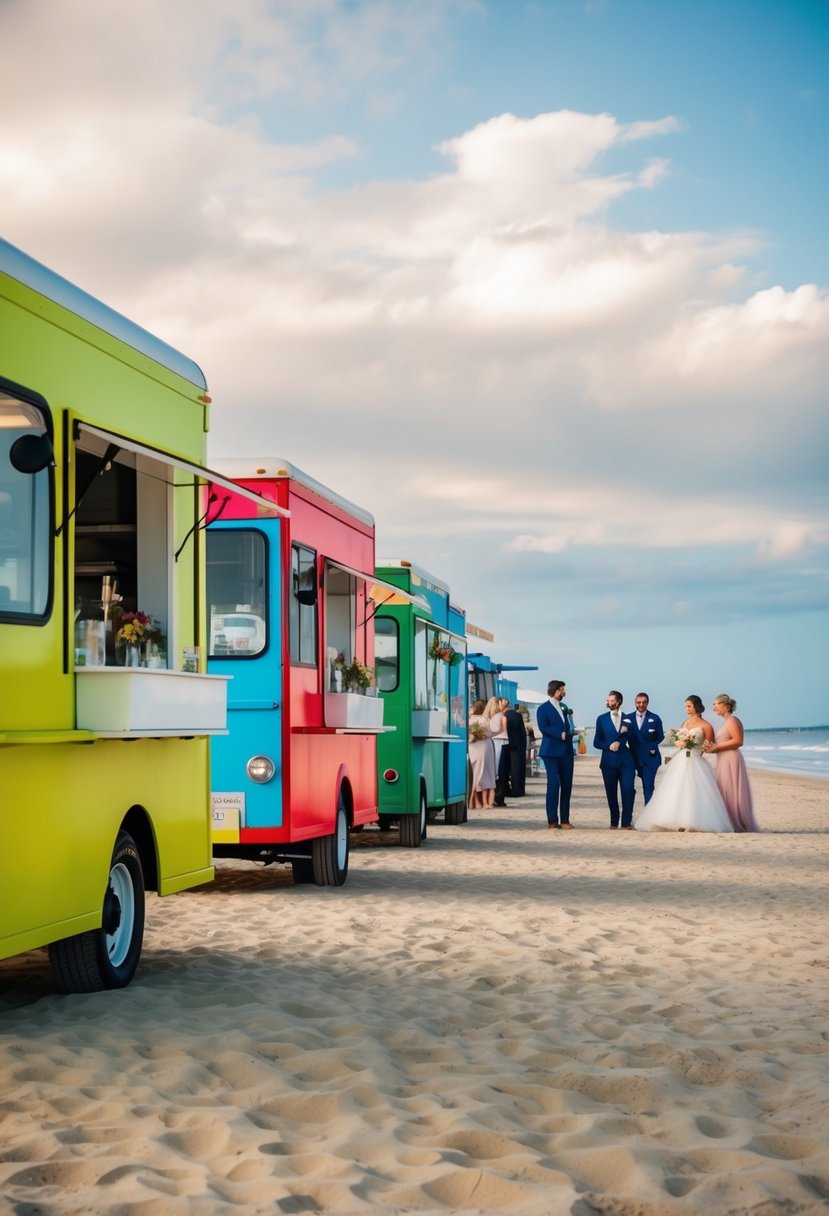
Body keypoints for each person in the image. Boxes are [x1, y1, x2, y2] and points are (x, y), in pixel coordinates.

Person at [635, 696, 733, 832]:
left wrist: (695, 748)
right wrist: (675, 751)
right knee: (675, 789)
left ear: (696, 707)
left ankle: (692, 822)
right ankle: (674, 820)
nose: (686, 709)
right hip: (681, 759)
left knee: (693, 791)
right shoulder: (684, 723)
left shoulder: (706, 726)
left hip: (696, 760)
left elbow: (708, 747)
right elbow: (680, 747)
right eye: (685, 706)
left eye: (689, 706)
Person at [704, 694, 760, 832]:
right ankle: (728, 821)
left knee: (731, 789)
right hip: (724, 758)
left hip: (731, 759)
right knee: (724, 789)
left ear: (725, 706)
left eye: (716, 704)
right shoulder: (726, 721)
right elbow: (724, 743)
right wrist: (712, 748)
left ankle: (737, 822)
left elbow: (738, 741)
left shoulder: (732, 721)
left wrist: (717, 747)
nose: (713, 707)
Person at [594, 691, 637, 829]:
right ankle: (614, 821)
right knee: (611, 793)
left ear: (619, 702)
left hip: (627, 762)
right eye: (608, 700)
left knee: (628, 790)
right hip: (608, 762)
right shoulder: (601, 719)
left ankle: (626, 822)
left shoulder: (629, 718)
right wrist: (608, 746)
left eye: (611, 700)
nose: (608, 703)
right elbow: (596, 742)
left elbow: (634, 738)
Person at [536, 679, 576, 829]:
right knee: (554, 783)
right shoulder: (543, 709)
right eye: (563, 690)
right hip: (551, 752)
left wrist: (571, 732)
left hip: (566, 752)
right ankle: (552, 820)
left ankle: (565, 820)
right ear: (557, 691)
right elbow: (543, 727)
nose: (564, 692)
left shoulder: (563, 708)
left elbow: (568, 725)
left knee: (567, 785)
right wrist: (561, 735)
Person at [625, 692, 665, 804]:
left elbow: (660, 736)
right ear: (635, 703)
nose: (641, 705)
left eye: (644, 702)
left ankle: (648, 815)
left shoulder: (655, 718)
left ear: (648, 703)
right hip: (632, 758)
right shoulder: (627, 718)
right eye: (639, 702)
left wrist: (650, 746)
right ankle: (628, 817)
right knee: (628, 787)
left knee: (648, 787)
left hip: (650, 758)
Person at [468, 699, 496, 810]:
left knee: (473, 773)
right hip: (484, 746)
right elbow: (490, 732)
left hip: (472, 746)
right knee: (483, 773)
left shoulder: (469, 720)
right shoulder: (484, 720)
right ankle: (484, 802)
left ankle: (474, 802)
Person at [484, 696, 510, 806]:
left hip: (491, 742)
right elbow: (504, 731)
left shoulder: (487, 718)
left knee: (492, 770)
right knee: (501, 771)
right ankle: (499, 797)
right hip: (502, 742)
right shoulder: (501, 717)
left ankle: (491, 797)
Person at [504, 703, 528, 797]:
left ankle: (510, 790)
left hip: (508, 744)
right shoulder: (517, 716)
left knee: (509, 769)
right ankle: (518, 790)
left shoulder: (505, 716)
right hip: (518, 745)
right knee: (518, 768)